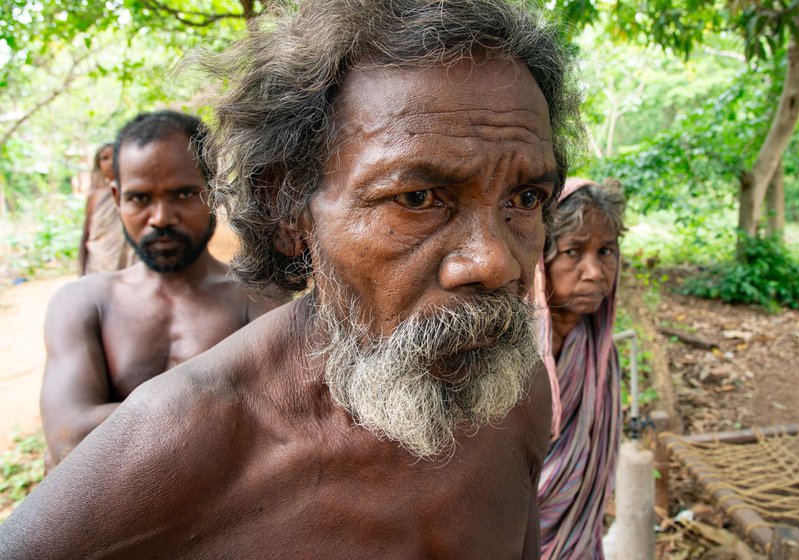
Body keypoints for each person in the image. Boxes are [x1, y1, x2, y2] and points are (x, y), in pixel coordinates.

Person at [0, 1, 581, 557]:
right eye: (417, 198)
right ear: (288, 209)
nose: (495, 262)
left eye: (525, 198)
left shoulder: (513, 394)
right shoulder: (184, 438)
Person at [38, 110, 284, 471]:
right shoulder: (82, 304)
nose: (161, 218)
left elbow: (280, 429)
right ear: (117, 198)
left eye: (183, 194)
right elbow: (70, 440)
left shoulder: (259, 296)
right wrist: (228, 407)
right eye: (140, 199)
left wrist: (112, 423)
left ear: (214, 192)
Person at [534, 178, 626, 559]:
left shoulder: (597, 350)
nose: (594, 271)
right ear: (541, 261)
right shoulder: (508, 361)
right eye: (573, 251)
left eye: (605, 251)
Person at [78, 143, 136, 275]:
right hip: (99, 260)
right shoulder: (95, 196)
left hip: (127, 260)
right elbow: (86, 233)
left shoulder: (134, 192)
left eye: (115, 156)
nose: (110, 162)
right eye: (104, 158)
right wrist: (81, 268)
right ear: (98, 165)